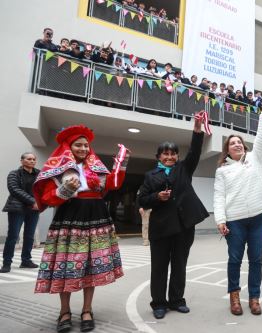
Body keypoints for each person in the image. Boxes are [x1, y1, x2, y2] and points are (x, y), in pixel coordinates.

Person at [33, 125, 129, 333]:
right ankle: (64, 312)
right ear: (69, 147)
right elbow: (47, 198)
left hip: (97, 217)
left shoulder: (96, 167)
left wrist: (122, 162)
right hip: (70, 218)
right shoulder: (58, 170)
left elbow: (112, 184)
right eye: (79, 145)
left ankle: (87, 310)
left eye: (86, 145)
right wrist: (66, 189)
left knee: (91, 267)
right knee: (66, 268)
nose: (84, 148)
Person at [138, 111, 209, 319]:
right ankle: (159, 303)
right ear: (158, 157)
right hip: (160, 228)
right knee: (159, 268)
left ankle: (177, 300)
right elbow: (142, 200)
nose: (170, 157)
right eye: (165, 154)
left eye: (173, 154)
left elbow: (195, 151)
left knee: (179, 265)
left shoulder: (184, 169)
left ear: (177, 156)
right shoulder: (150, 176)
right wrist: (157, 197)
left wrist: (197, 129)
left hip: (184, 226)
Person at [214, 99, 262, 316]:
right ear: (227, 150)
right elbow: (219, 196)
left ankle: (254, 297)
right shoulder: (222, 170)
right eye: (232, 143)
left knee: (256, 259)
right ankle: (234, 297)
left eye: (239, 142)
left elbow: (261, 136)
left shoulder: (255, 158)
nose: (237, 144)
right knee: (235, 259)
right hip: (235, 221)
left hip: (259, 218)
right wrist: (220, 220)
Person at [0, 153, 40, 273]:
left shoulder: (40, 174)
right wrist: (33, 201)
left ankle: (26, 261)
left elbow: (44, 188)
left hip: (33, 210)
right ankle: (6, 263)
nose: (32, 161)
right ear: (22, 161)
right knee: (13, 236)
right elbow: (14, 189)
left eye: (34, 159)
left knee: (29, 236)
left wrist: (41, 203)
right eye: (29, 159)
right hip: (17, 208)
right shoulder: (14, 173)